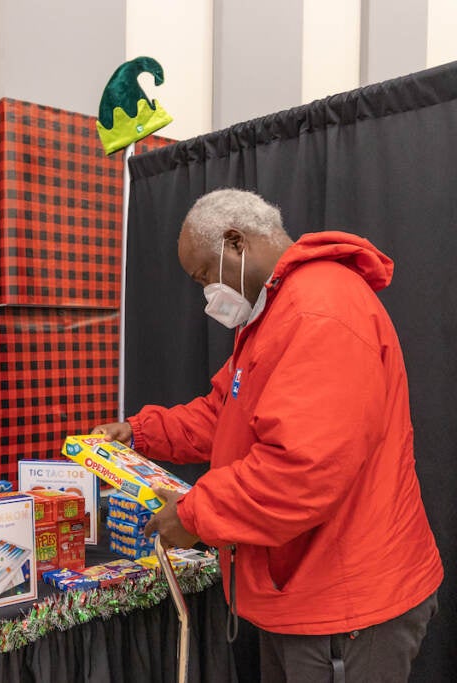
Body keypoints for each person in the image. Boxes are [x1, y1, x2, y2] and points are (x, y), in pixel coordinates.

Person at [92, 188, 442, 682]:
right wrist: (140, 433)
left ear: (235, 243)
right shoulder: (277, 311)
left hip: (344, 606)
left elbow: (301, 470)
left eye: (203, 277)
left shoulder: (319, 311)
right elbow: (225, 414)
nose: (206, 295)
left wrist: (195, 516)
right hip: (306, 594)